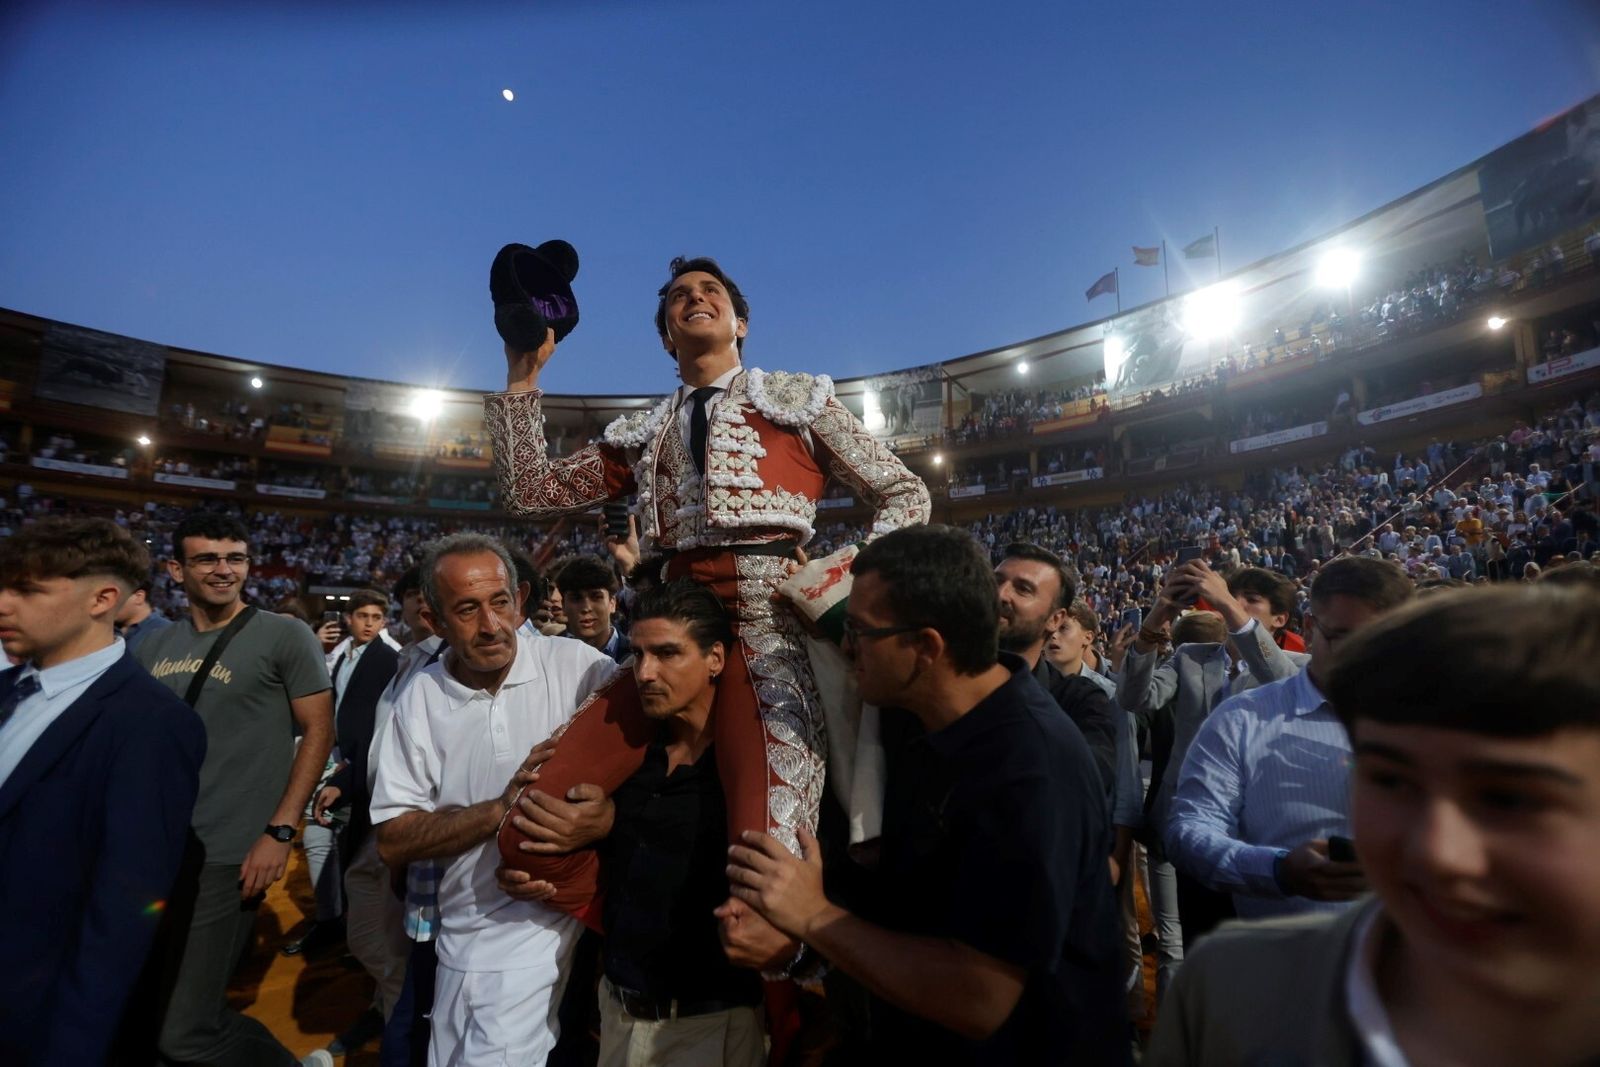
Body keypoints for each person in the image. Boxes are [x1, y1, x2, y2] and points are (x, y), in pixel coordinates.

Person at [482, 255, 929, 919]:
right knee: (527, 833)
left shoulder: (798, 398)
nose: (694, 297)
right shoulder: (641, 433)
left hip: (771, 635)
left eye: (710, 290)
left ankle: (798, 1000)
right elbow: (527, 493)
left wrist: (837, 585)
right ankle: (644, 942)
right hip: (669, 638)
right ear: (666, 333)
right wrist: (525, 374)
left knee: (765, 884)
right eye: (679, 296)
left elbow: (905, 492)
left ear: (739, 322)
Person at [1148, 584, 1600, 1066]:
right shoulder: (1225, 994)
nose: (1436, 849)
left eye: (1506, 799)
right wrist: (1278, 870)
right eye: (1390, 780)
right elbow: (1191, 826)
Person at [727, 525, 1128, 1063]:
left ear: (926, 648)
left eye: (862, 631)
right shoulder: (922, 723)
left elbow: (979, 998)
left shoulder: (1030, 769)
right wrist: (803, 948)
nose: (848, 646)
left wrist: (813, 918)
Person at [501, 581, 780, 1066]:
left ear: (715, 658)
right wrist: (538, 872)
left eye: (667, 654)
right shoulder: (632, 761)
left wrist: (613, 820)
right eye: (638, 654)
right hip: (617, 1010)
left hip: (710, 1023)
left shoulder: (750, 772)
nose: (645, 673)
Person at [370, 533, 617, 1064]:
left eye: (500, 603)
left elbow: (658, 763)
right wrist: (500, 810)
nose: (491, 625)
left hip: (542, 926)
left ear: (520, 600)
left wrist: (605, 818)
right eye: (467, 610)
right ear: (433, 622)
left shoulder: (581, 669)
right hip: (460, 930)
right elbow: (392, 839)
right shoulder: (421, 698)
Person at [0, 518, 206, 1066]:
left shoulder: (154, 724)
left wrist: (72, 1049)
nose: (3, 603)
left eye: (27, 589)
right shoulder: (7, 690)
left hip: (31, 1019)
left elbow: (122, 916)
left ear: (104, 598)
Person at [135, 511, 336, 1067]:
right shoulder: (151, 646)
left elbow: (319, 730)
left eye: (235, 558)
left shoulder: (283, 634)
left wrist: (280, 829)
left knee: (187, 1032)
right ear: (176, 569)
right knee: (150, 1008)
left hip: (230, 853)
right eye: (207, 559)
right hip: (156, 854)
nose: (224, 570)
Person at [1164, 557, 1413, 922]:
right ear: (1310, 626)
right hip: (1284, 962)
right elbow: (1190, 829)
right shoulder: (1242, 719)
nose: (1368, 655)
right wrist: (1277, 870)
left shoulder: (1438, 718)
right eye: (1346, 638)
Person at [1118, 561, 1305, 947]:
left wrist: (1226, 602)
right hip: (1193, 828)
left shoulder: (1298, 667)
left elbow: (1285, 688)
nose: (1232, 603)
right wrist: (1157, 616)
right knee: (1198, 949)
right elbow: (1133, 698)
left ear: (1280, 618)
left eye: (1250, 600)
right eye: (1231, 596)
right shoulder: (1191, 656)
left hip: (1260, 837)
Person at [309, 588, 404, 1055]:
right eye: (362, 615)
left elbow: (372, 727)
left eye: (377, 615)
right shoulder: (344, 653)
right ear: (348, 619)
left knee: (361, 877)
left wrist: (347, 778)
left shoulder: (387, 657)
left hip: (366, 781)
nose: (369, 622)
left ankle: (388, 997)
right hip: (345, 767)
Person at [372, 565, 449, 1067]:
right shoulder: (412, 660)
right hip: (400, 851)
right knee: (411, 991)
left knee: (420, 1001)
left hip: (435, 873)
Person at [994, 542, 1120, 806]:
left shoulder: (1081, 700)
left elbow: (1092, 775)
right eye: (996, 581)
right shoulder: (940, 681)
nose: (1001, 595)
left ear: (1054, 620)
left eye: (1023, 589)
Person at [553, 553, 632, 663]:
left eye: (596, 597)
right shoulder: (553, 657)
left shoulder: (635, 657)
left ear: (612, 603)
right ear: (564, 605)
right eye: (576, 598)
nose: (586, 607)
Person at [113, 574, 171, 652]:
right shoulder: (107, 630)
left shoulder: (167, 632)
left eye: (115, 597)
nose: (107, 603)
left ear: (139, 597)